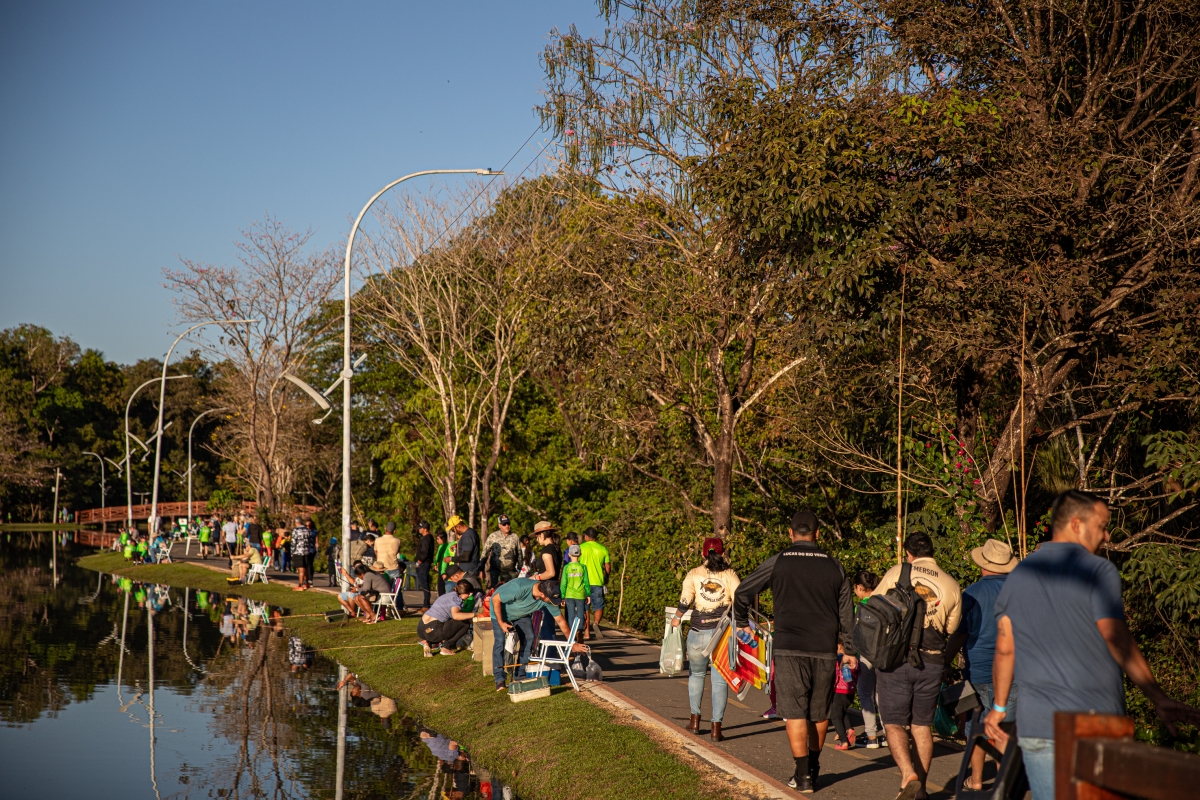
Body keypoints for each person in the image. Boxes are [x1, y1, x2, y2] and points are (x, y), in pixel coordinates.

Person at [985, 491, 1200, 800]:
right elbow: (1116, 637)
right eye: (1102, 526)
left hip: (1039, 725)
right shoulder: (1097, 570)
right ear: (1076, 524)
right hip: (1096, 722)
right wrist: (1157, 697)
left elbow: (1005, 649)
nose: (1107, 536)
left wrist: (999, 708)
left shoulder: (1019, 575)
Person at [733, 510, 856, 793]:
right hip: (824, 649)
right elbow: (847, 614)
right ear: (817, 534)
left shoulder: (779, 561)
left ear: (790, 533)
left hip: (789, 648)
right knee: (821, 712)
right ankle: (814, 767)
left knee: (795, 712)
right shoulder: (834, 566)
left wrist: (741, 623)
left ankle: (803, 777)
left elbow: (742, 592)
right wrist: (849, 649)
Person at [872, 531, 962, 800]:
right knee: (922, 726)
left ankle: (907, 774)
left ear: (908, 554)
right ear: (932, 552)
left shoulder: (897, 572)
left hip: (896, 659)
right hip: (932, 661)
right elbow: (951, 628)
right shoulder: (951, 583)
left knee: (894, 723)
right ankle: (920, 789)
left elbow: (873, 606)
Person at [943, 538, 1019, 790]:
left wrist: (944, 661)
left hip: (979, 670)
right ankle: (1003, 783)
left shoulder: (973, 593)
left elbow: (960, 634)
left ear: (983, 564)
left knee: (977, 727)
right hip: (1015, 672)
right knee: (1004, 728)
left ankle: (976, 780)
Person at [669, 536, 740, 741]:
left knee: (696, 675)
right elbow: (740, 599)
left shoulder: (694, 573)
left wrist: (676, 618)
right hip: (721, 634)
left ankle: (694, 721)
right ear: (723, 553)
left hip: (697, 632)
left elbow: (685, 600)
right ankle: (716, 728)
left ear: (703, 553)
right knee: (720, 681)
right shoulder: (729, 574)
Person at [490, 577, 585, 691]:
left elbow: (560, 621)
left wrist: (572, 643)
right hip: (500, 612)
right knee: (500, 642)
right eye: (550, 599)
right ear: (541, 593)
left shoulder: (548, 598)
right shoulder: (519, 588)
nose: (552, 602)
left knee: (529, 637)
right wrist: (501, 623)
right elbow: (495, 599)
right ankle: (499, 679)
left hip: (521, 614)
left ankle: (520, 675)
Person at [851, 571, 885, 749]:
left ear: (860, 587)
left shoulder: (860, 607)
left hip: (866, 655)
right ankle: (888, 734)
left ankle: (871, 735)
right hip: (884, 654)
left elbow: (855, 633)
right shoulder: (885, 602)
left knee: (865, 693)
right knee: (881, 695)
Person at [419, 578, 478, 656]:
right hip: (434, 629)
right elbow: (456, 616)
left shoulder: (448, 595)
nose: (469, 596)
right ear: (469, 593)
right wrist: (475, 614)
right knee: (465, 623)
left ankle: (427, 642)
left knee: (448, 624)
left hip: (421, 629)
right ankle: (446, 647)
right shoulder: (456, 599)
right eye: (470, 594)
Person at [578, 527, 611, 639]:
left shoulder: (581, 548)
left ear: (586, 536)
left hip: (583, 582)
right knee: (599, 606)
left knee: (585, 608)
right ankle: (596, 623)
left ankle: (586, 633)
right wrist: (606, 577)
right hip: (597, 582)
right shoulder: (603, 549)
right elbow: (607, 566)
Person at [560, 544, 591, 637]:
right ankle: (580, 631)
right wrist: (588, 594)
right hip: (580, 595)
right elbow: (586, 582)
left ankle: (572, 634)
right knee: (580, 613)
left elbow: (563, 583)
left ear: (569, 554)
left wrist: (562, 596)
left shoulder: (566, 568)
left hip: (569, 595)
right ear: (580, 555)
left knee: (571, 614)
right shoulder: (583, 567)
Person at [482, 514, 521, 589]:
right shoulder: (493, 536)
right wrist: (481, 569)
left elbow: (519, 553)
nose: (507, 526)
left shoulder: (514, 536)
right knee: (497, 591)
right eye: (504, 524)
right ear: (499, 525)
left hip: (511, 572)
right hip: (496, 572)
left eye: (508, 524)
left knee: (512, 591)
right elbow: (485, 553)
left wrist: (519, 569)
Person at [830, 654, 860, 750]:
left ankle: (843, 741)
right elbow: (857, 672)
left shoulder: (839, 659)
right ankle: (849, 729)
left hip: (839, 691)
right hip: (850, 692)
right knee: (842, 712)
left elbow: (833, 673)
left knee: (836, 717)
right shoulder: (854, 660)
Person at [290, 516, 316, 591]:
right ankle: (306, 583)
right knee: (306, 567)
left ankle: (300, 585)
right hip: (307, 551)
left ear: (296, 522)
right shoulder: (307, 530)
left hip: (298, 551)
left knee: (300, 569)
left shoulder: (296, 530)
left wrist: (292, 552)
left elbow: (293, 542)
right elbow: (310, 540)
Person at [413, 521, 435, 610]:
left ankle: (426, 605)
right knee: (424, 584)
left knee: (424, 584)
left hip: (424, 564)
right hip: (424, 563)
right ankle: (426, 604)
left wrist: (418, 562)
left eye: (420, 528)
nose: (419, 530)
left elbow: (425, 553)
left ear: (425, 529)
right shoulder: (428, 538)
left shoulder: (427, 538)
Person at [433, 530, 452, 595]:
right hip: (447, 567)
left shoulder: (442, 546)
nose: (437, 540)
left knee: (440, 586)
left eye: (438, 539)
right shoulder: (448, 545)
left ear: (443, 539)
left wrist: (435, 563)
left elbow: (437, 557)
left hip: (442, 568)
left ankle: (442, 598)